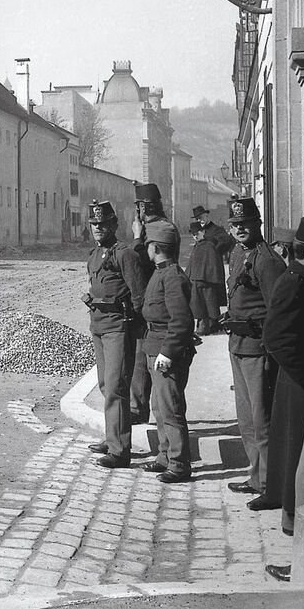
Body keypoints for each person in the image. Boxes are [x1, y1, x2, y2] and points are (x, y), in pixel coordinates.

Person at [259, 216, 304, 553]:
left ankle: (291, 515)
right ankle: (292, 518)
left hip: (298, 377)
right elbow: (275, 337)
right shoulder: (293, 281)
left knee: (296, 448)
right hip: (298, 380)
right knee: (297, 449)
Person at [222, 195, 286, 498]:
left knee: (262, 423)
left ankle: (271, 485)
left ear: (258, 223)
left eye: (245, 223)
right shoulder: (237, 254)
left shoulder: (267, 260)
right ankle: (257, 477)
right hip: (238, 345)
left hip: (258, 349)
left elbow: (278, 310)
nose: (240, 229)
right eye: (235, 224)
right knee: (246, 421)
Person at [81, 200, 149, 469]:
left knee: (117, 387)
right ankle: (111, 439)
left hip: (118, 327)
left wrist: (135, 330)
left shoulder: (125, 254)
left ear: (113, 225)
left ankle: (120, 451)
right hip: (98, 325)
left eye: (103, 224)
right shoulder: (94, 255)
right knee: (105, 386)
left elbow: (139, 295)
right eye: (94, 224)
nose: (98, 228)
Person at [140, 218, 196, 483]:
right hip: (155, 344)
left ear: (155, 246)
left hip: (166, 351)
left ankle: (179, 463)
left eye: (148, 244)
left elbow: (182, 320)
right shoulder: (161, 272)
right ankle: (165, 456)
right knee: (159, 408)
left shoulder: (171, 276)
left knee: (171, 409)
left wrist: (168, 352)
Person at [127, 182, 166, 423]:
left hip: (150, 297)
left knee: (143, 356)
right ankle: (141, 406)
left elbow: (140, 263)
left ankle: (138, 408)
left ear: (143, 207)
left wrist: (136, 238)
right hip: (153, 297)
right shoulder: (162, 226)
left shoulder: (155, 231)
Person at [187, 220, 226, 334]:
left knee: (209, 303)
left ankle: (209, 325)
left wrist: (210, 277)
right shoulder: (198, 246)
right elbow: (192, 264)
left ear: (203, 232)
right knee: (199, 304)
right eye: (193, 234)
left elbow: (214, 263)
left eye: (197, 233)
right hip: (197, 280)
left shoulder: (209, 246)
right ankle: (204, 324)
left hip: (207, 280)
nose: (195, 236)